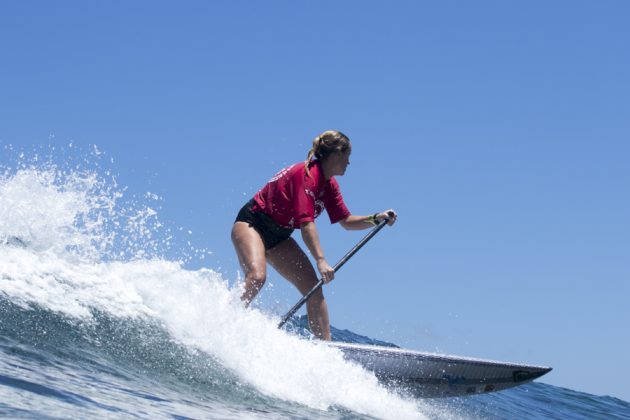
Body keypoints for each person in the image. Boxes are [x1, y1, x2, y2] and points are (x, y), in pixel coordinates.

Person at [231, 130, 397, 340]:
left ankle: (326, 349)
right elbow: (306, 223)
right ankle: (225, 320)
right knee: (257, 276)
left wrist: (376, 218)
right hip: (252, 224)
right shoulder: (307, 175)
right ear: (336, 154)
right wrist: (320, 260)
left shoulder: (329, 185)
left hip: (280, 236)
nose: (349, 162)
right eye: (347, 156)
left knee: (313, 291)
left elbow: (346, 222)